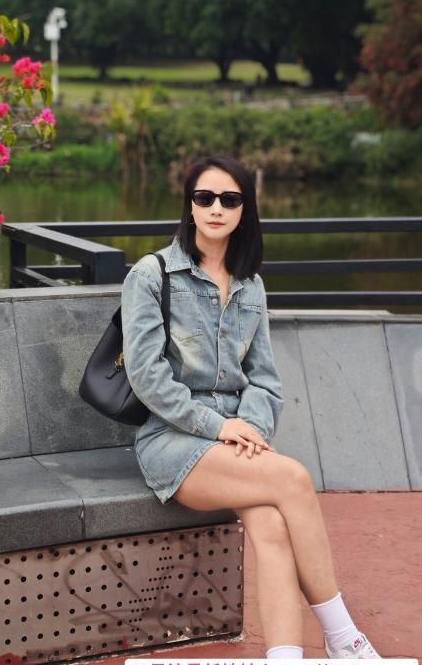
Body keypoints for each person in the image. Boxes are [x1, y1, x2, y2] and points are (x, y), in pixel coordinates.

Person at [121, 154, 381, 660]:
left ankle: (285, 656)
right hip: (172, 440)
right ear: (190, 206)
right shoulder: (153, 275)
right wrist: (221, 427)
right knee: (294, 480)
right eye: (204, 198)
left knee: (271, 524)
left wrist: (252, 432)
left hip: (236, 440)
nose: (216, 208)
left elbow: (264, 380)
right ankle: (343, 637)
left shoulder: (251, 285)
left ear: (244, 210)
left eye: (229, 199)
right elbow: (148, 377)